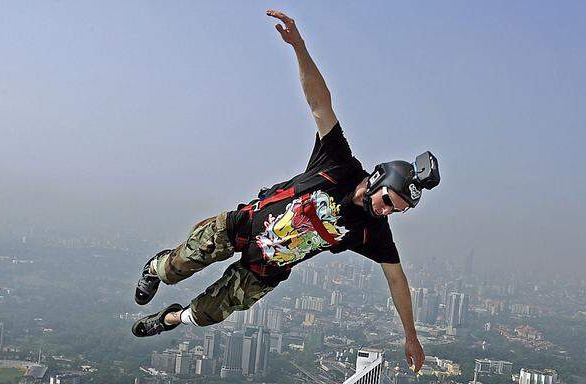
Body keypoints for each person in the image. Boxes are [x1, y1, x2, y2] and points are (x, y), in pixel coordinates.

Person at [131, 10, 440, 373]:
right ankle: (155, 268)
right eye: (388, 201)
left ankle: (168, 319)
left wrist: (411, 335)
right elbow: (320, 104)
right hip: (241, 227)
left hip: (266, 268)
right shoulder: (338, 165)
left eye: (396, 211)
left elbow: (397, 280)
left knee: (205, 314)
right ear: (377, 181)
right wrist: (300, 47)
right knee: (176, 267)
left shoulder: (371, 231)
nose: (387, 211)